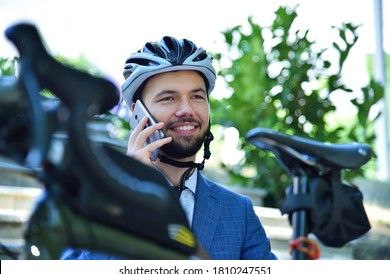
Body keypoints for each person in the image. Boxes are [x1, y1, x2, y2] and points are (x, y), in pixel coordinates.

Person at [61, 36, 277, 260]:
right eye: (168, 98)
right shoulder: (92, 202)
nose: (186, 109)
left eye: (197, 96)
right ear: (138, 114)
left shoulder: (239, 211)